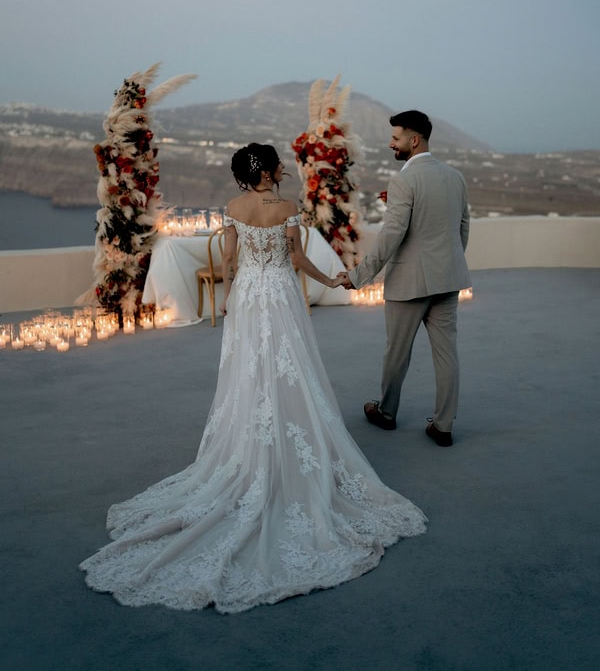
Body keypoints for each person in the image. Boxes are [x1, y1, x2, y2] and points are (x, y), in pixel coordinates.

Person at [80, 142, 427, 613]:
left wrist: (227, 297)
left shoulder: (234, 207)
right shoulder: (285, 207)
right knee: (291, 364)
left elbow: (229, 261)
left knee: (249, 369)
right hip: (280, 294)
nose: (284, 167)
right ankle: (290, 442)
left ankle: (251, 447)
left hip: (247, 294)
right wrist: (332, 281)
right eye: (278, 163)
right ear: (265, 171)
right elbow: (297, 260)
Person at [337, 111, 471, 447]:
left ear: (414, 140)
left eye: (395, 138)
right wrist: (447, 264)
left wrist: (358, 276)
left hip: (410, 282)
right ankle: (443, 426)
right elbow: (462, 227)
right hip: (447, 278)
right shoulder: (455, 177)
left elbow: (391, 235)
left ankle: (386, 413)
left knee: (396, 353)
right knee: (447, 355)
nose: (390, 144)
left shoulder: (404, 180)